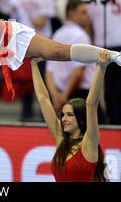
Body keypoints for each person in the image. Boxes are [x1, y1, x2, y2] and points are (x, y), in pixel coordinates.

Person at [31, 50, 110, 182]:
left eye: (69, 115)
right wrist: (34, 65)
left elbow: (91, 104)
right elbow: (43, 99)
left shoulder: (89, 142)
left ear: (81, 119)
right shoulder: (61, 139)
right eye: (63, 115)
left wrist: (101, 68)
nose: (63, 119)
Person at [45, 0, 96, 112]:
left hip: (62, 93)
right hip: (81, 94)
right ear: (71, 15)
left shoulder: (57, 35)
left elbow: (49, 71)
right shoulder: (81, 36)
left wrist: (55, 97)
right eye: (83, 12)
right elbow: (78, 73)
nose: (87, 16)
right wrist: (64, 96)